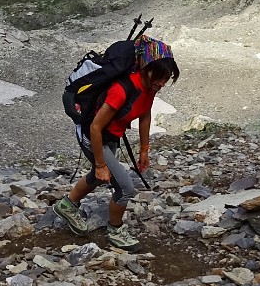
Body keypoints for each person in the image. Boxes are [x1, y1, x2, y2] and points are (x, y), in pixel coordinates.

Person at [51, 55, 180, 250]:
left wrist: (144, 150)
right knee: (125, 188)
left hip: (110, 135)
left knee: (101, 176)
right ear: (147, 69)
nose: (161, 83)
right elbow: (95, 127)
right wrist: (101, 164)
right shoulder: (121, 90)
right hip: (92, 135)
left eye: (166, 78)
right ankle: (115, 231)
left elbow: (145, 115)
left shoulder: (148, 88)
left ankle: (67, 206)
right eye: (159, 77)